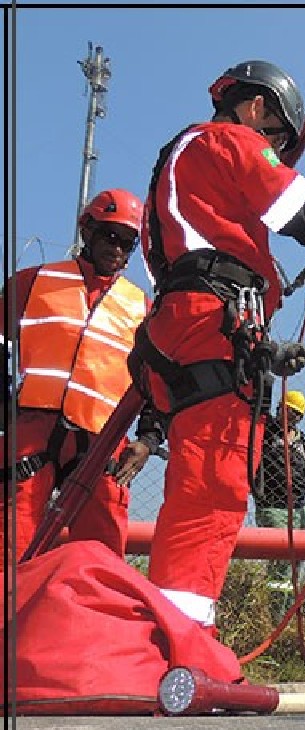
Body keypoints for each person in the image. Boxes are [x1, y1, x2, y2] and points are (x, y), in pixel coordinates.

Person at [130, 59, 305, 629]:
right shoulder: (228, 141)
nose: (273, 148)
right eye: (274, 136)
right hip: (211, 331)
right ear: (255, 108)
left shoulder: (182, 165)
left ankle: (182, 638)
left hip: (187, 326)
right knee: (212, 494)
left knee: (203, 491)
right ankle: (181, 645)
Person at [1, 188, 165, 563]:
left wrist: (149, 439)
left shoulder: (142, 307)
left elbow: (158, 382)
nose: (118, 248)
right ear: (86, 229)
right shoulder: (31, 283)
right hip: (30, 432)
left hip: (104, 442)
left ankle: (91, 621)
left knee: (102, 556)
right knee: (9, 546)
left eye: (128, 241)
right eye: (110, 235)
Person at [256, 389, 305, 530]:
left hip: (299, 508)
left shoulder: (302, 442)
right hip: (272, 506)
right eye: (287, 410)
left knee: (300, 550)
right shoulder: (266, 432)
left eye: (296, 413)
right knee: (276, 550)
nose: (291, 416)